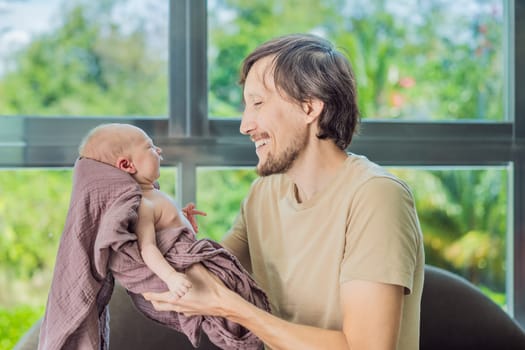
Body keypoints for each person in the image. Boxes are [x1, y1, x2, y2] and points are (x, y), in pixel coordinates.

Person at [143, 33, 425, 350]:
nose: (245, 125)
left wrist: (231, 307)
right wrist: (167, 228)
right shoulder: (263, 194)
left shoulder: (377, 197)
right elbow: (212, 276)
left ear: (309, 108)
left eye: (258, 103)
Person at [79, 123, 207, 300]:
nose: (159, 150)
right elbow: (147, 247)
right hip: (187, 275)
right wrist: (171, 277)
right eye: (150, 146)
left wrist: (182, 218)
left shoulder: (153, 194)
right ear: (127, 165)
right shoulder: (143, 205)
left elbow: (168, 231)